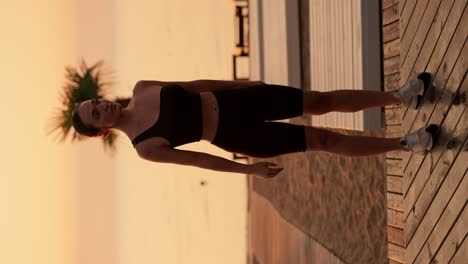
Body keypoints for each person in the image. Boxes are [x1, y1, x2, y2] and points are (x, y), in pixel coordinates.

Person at [72, 72, 437, 178]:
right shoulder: (145, 147)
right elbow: (201, 162)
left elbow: (199, 86)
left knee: (320, 101)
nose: (102, 105)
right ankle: (405, 144)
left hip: (237, 100)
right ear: (101, 131)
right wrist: (250, 171)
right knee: (322, 139)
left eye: (96, 103)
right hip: (236, 135)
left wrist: (245, 86)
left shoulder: (141, 88)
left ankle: (399, 96)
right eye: (96, 114)